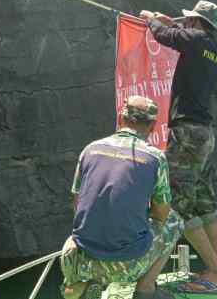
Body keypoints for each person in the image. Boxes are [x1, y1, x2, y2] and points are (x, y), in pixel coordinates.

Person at [139, 0, 217, 293]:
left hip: (188, 134)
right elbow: (186, 39)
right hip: (204, 134)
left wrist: (151, 18)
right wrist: (174, 24)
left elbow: (164, 36)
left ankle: (215, 273)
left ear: (193, 21)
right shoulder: (216, 49)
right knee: (205, 203)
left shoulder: (193, 39)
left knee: (178, 205)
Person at [60, 96, 183, 299]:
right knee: (174, 220)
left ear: (120, 118)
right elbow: (161, 213)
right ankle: (145, 289)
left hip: (84, 256)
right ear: (152, 126)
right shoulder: (154, 157)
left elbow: (78, 203)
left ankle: (87, 279)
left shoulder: (90, 150)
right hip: (127, 265)